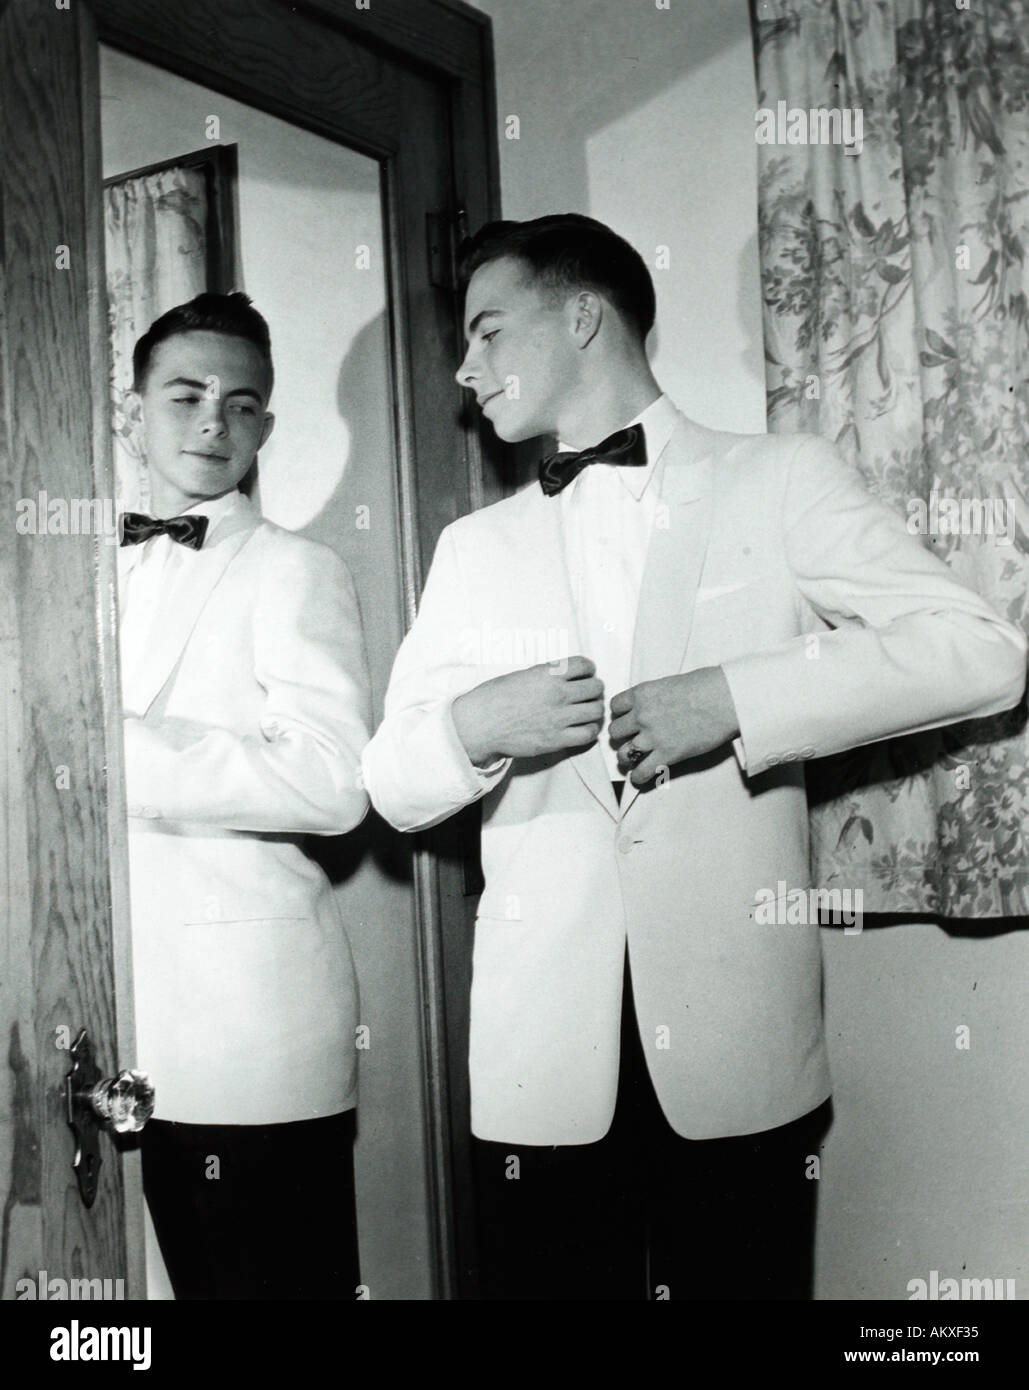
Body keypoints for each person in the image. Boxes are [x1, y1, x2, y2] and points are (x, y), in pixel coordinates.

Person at [360, 214, 1028, 1301]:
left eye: (486, 331)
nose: (462, 368)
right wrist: (480, 725)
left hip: (740, 1060)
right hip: (542, 1074)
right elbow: (388, 786)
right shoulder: (472, 550)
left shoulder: (780, 478)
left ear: (583, 316)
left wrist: (736, 698)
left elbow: (982, 653)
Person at [118, 292, 372, 1299]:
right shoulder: (68, 569)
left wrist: (114, 749)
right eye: (185, 397)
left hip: (246, 1033)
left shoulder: (296, 570)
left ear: (266, 425)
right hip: (100, 1023)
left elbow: (333, 780)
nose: (214, 424)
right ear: (132, 410)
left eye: (242, 403)